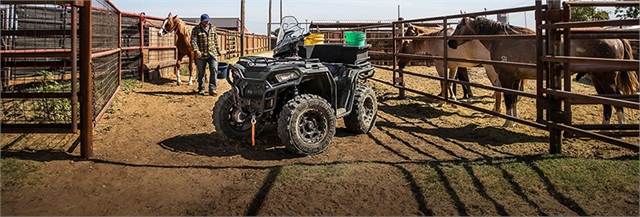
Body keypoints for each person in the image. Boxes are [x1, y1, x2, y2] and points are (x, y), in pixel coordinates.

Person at [191, 13, 221, 96]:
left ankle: (213, 88)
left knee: (214, 70)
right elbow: (193, 41)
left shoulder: (213, 28)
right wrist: (196, 50)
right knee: (201, 72)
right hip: (201, 54)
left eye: (207, 21)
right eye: (204, 21)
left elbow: (215, 41)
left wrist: (218, 51)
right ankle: (201, 88)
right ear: (201, 21)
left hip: (212, 53)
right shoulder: (196, 29)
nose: (206, 23)